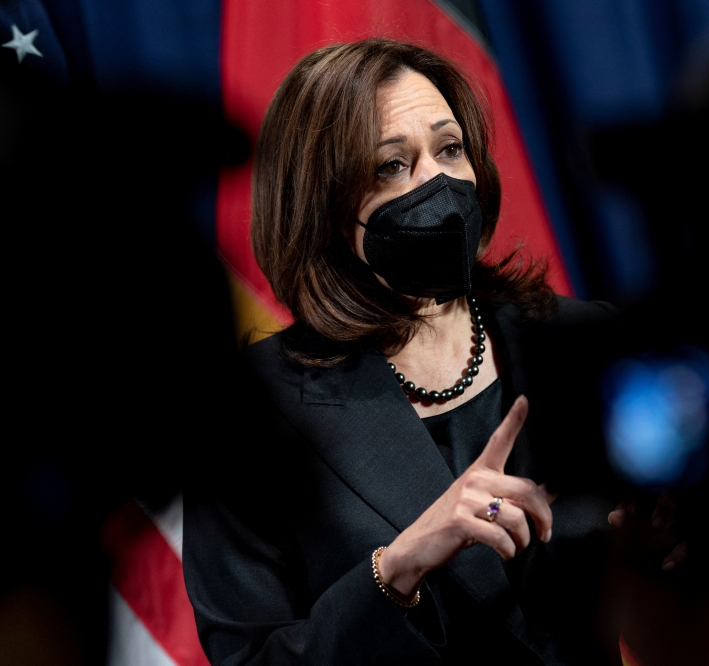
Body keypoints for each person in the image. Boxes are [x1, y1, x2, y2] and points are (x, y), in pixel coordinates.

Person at [182, 38, 619, 665]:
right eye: (392, 165)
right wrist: (398, 567)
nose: (436, 183)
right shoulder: (244, 411)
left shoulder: (583, 343)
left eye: (449, 148)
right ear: (324, 208)